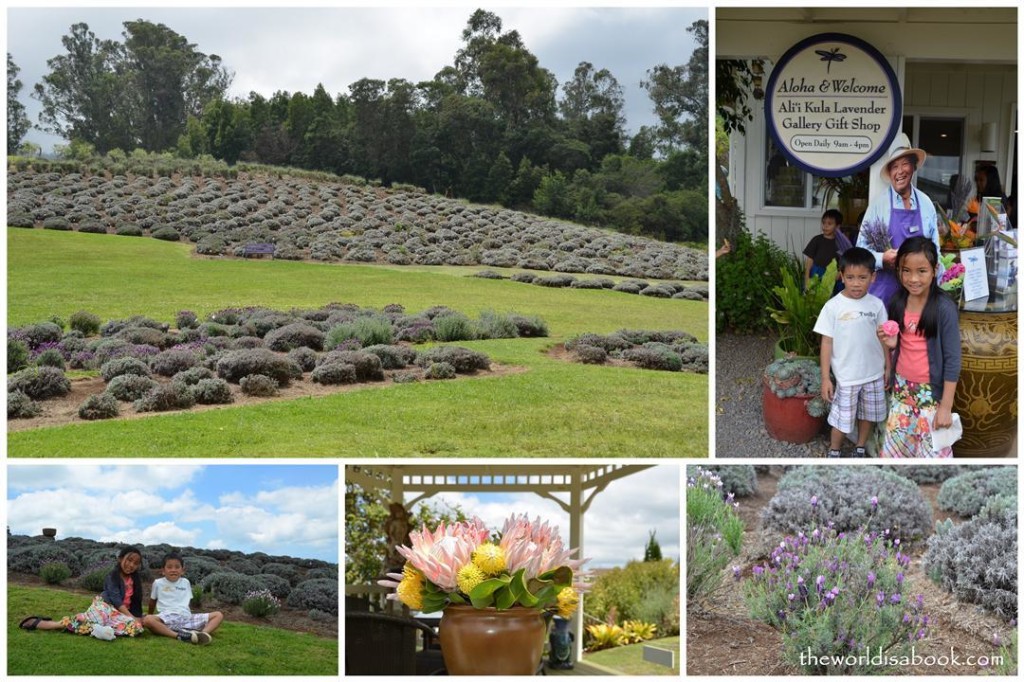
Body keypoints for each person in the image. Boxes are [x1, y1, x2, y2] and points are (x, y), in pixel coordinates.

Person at [877, 237, 961, 458]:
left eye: (921, 271)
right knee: (898, 454)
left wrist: (945, 406)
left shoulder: (944, 309)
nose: (913, 279)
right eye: (906, 271)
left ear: (935, 270)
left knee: (931, 455)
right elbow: (900, 345)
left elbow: (953, 359)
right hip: (902, 392)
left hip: (931, 397)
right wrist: (891, 347)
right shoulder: (897, 302)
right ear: (898, 270)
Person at [813, 247, 889, 458]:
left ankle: (860, 447)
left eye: (862, 277)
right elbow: (826, 342)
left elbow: (884, 337)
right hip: (846, 376)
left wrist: (888, 366)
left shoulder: (877, 305)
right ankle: (834, 451)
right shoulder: (833, 306)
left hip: (873, 374)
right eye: (850, 277)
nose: (856, 283)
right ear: (841, 275)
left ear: (873, 277)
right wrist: (825, 378)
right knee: (842, 419)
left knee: (869, 415)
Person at [856, 134, 942, 304]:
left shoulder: (926, 203)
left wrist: (939, 281)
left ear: (914, 167)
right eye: (894, 166)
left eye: (904, 164)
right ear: (890, 173)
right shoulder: (877, 206)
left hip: (918, 295)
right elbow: (860, 253)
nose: (900, 171)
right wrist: (882, 259)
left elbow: (936, 250)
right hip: (885, 292)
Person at [19, 546, 146, 637]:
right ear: (120, 558)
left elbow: (136, 603)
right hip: (105, 606)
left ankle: (100, 630)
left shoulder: (135, 580)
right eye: (129, 560)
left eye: (135, 563)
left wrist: (137, 619)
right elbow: (117, 601)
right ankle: (46, 624)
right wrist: (131, 617)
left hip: (117, 613)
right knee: (97, 620)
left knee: (137, 628)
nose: (131, 565)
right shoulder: (112, 576)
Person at [144, 552, 223, 645]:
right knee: (148, 619)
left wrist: (186, 613)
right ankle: (179, 636)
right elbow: (152, 601)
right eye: (169, 567)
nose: (173, 570)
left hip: (187, 617)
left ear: (182, 570)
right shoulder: (158, 583)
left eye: (177, 567)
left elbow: (186, 601)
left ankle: (202, 634)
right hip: (168, 617)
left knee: (218, 615)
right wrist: (150, 614)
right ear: (163, 570)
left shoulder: (186, 582)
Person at [803, 208, 853, 290]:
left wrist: (840, 273)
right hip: (816, 273)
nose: (825, 226)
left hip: (834, 276)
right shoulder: (816, 240)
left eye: (829, 224)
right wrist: (807, 278)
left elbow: (846, 260)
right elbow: (809, 260)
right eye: (823, 223)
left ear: (837, 226)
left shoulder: (842, 243)